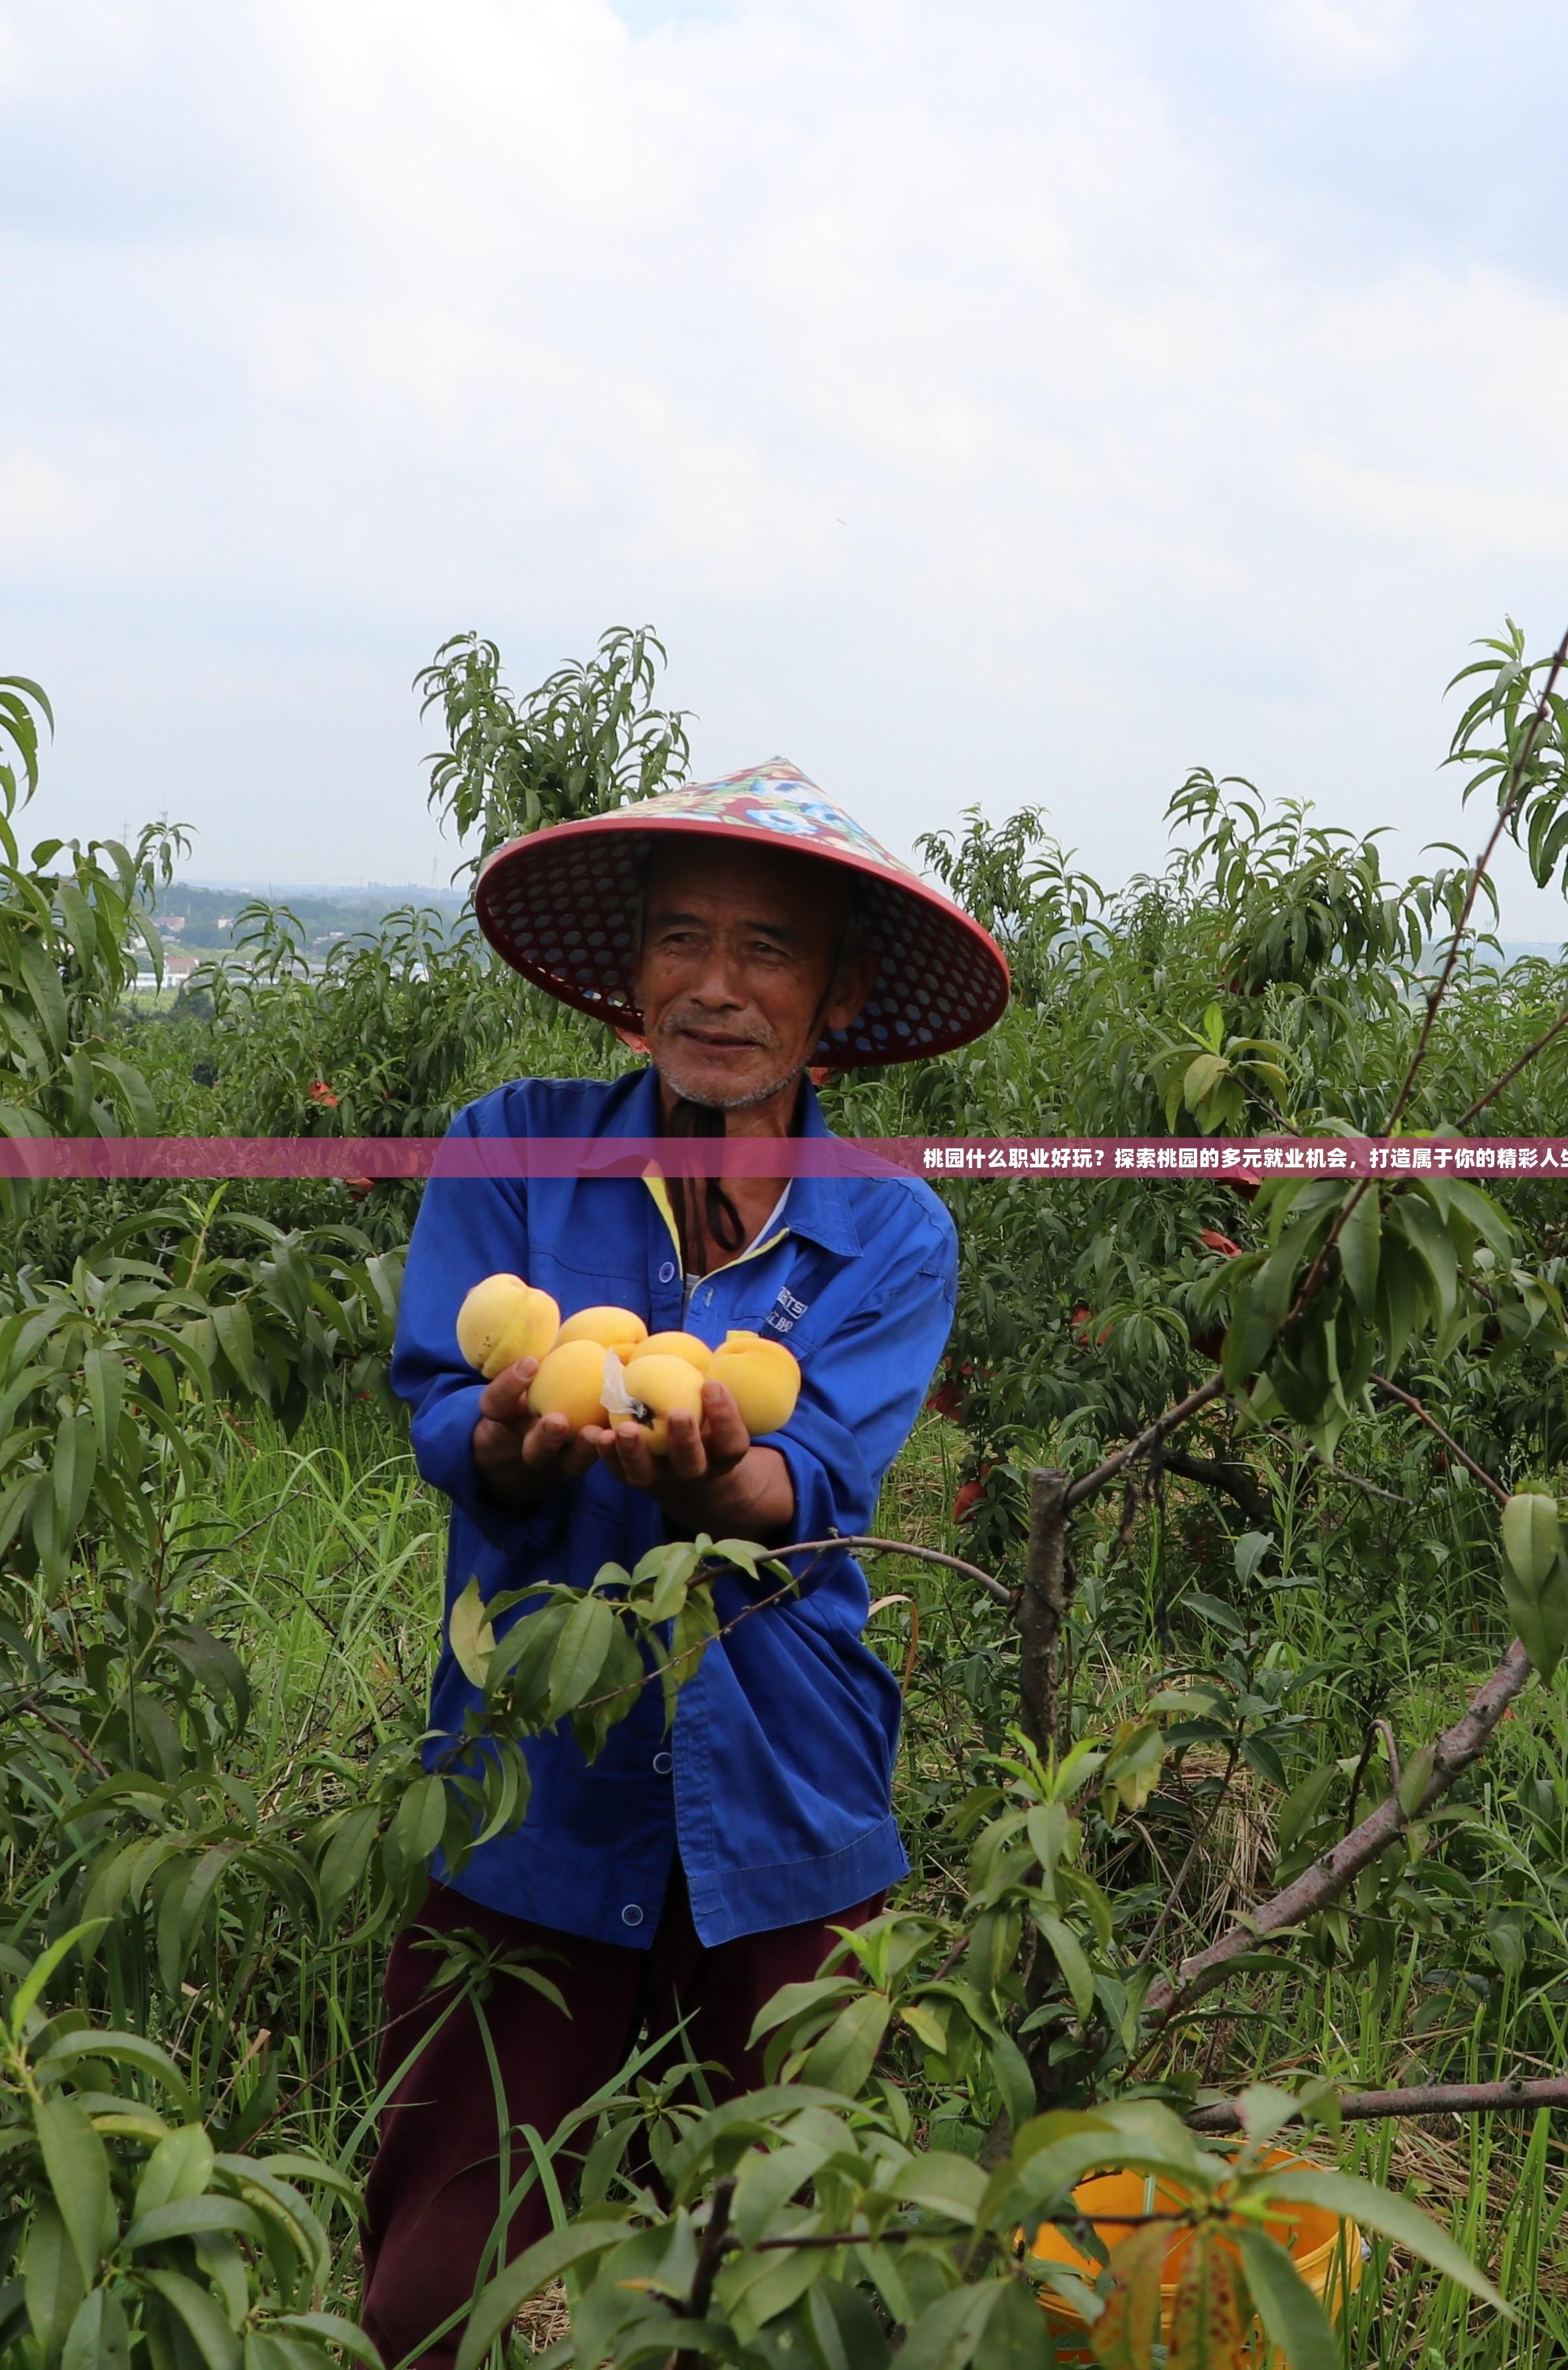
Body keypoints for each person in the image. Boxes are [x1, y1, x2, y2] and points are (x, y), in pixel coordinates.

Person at [360, 761, 1011, 2370]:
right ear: (633, 971)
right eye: (682, 941)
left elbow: (810, 1476)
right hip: (534, 1790)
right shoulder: (512, 1151)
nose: (717, 986)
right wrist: (515, 1439)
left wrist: (717, 1475)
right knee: (436, 2279)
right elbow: (453, 1410)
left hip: (785, 1793)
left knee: (776, 2276)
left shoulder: (888, 1231)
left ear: (840, 990)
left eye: (770, 950)